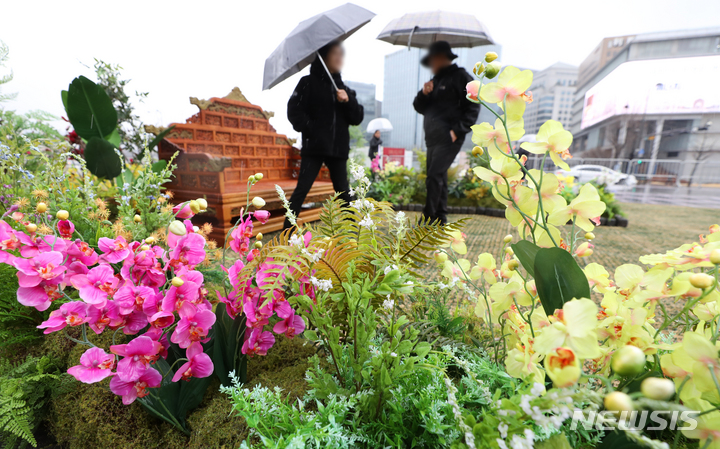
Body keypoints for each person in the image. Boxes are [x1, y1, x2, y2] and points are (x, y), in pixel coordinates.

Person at [284, 41, 364, 229]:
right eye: (334, 53)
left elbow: (357, 117)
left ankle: (352, 234)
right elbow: (293, 111)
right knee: (301, 190)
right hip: (314, 148)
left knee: (344, 193)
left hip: (338, 150)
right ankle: (287, 230)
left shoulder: (344, 89)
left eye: (341, 54)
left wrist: (347, 101)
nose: (339, 58)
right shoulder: (307, 83)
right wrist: (312, 128)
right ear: (323, 57)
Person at [413, 41, 480, 225]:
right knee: (438, 176)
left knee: (434, 176)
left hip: (449, 137)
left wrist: (457, 131)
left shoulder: (461, 77)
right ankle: (440, 218)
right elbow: (419, 107)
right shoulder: (434, 81)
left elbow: (474, 106)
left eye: (432, 61)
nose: (431, 65)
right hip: (432, 138)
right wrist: (424, 93)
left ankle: (428, 218)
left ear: (442, 58)